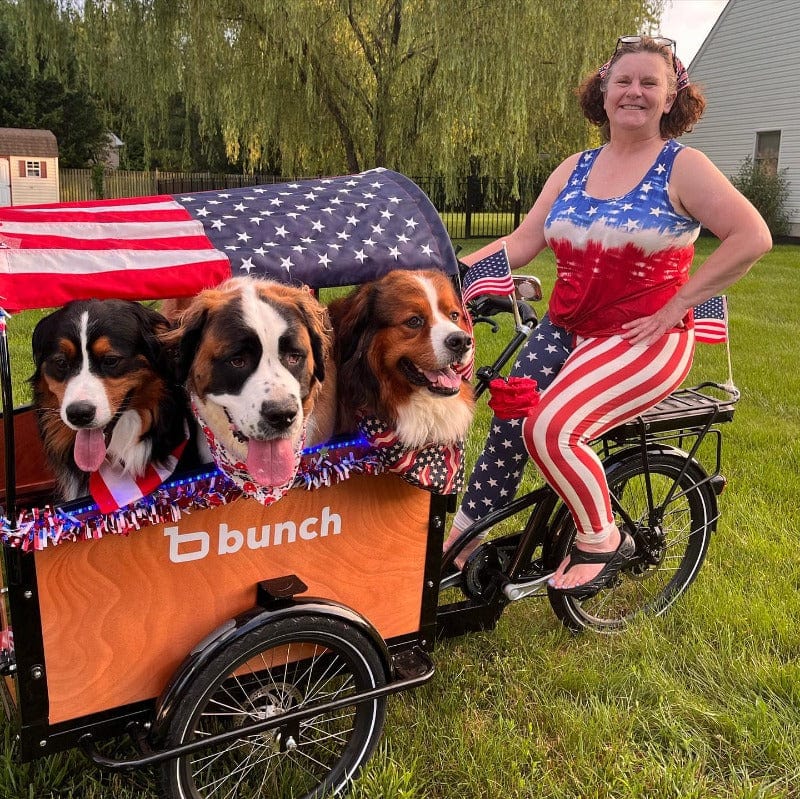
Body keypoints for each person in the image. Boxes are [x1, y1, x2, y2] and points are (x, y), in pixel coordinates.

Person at [443, 35, 771, 598]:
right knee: (507, 423)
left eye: (650, 83)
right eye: (623, 81)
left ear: (671, 98)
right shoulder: (576, 166)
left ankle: (601, 537)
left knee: (552, 427)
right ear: (604, 89)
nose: (634, 92)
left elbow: (753, 236)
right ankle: (466, 541)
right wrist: (443, 273)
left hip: (643, 336)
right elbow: (523, 242)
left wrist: (678, 306)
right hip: (562, 329)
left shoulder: (682, 167)